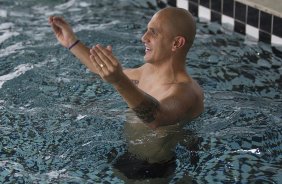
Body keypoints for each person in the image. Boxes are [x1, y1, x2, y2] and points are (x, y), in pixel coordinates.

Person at [49, 7, 203, 181]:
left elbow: (156, 117)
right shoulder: (147, 72)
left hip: (154, 168)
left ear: (176, 43)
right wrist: (71, 41)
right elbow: (102, 70)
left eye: (153, 33)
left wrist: (119, 81)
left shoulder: (186, 91)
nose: (143, 38)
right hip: (128, 154)